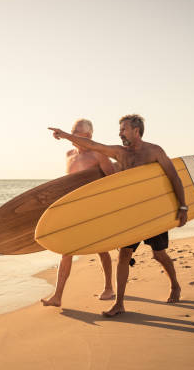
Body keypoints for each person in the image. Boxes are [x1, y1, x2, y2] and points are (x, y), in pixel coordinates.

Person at [48, 114, 187, 317]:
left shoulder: (154, 151)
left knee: (158, 254)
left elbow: (173, 176)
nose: (120, 133)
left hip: (152, 212)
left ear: (136, 131)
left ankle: (175, 285)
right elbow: (93, 144)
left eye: (123, 129)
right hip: (131, 214)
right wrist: (66, 136)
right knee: (124, 256)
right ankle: (119, 303)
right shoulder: (119, 153)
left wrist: (182, 207)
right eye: (120, 129)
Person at [41, 119, 116, 307]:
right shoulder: (69, 154)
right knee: (67, 251)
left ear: (89, 136)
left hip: (94, 209)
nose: (72, 136)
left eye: (77, 133)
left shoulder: (98, 155)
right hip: (73, 210)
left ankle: (109, 287)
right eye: (72, 132)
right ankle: (57, 296)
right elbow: (67, 184)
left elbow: (113, 181)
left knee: (102, 249)